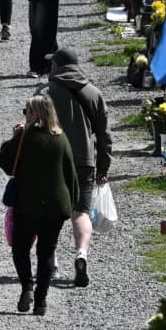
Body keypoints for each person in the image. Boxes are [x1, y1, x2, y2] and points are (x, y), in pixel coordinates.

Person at [0, 94, 80, 316]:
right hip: (56, 205)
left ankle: (27, 286)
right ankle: (41, 302)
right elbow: (70, 173)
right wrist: (72, 202)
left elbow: (5, 163)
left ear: (33, 114)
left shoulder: (25, 137)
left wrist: (15, 136)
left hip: (27, 203)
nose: (25, 115)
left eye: (26, 111)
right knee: (46, 252)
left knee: (20, 248)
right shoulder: (61, 138)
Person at [43, 47, 111, 289]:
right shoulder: (93, 93)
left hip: (51, 161)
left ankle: (50, 263)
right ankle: (81, 253)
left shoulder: (44, 93)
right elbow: (104, 135)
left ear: (55, 66)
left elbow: (32, 129)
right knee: (81, 212)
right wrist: (103, 166)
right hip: (84, 161)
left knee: (50, 213)